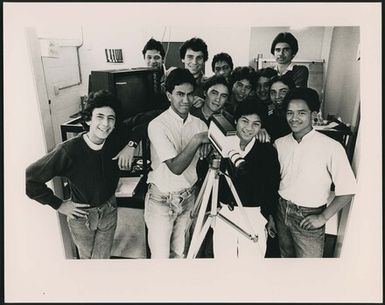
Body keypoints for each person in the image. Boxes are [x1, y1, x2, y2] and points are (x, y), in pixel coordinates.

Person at [26, 90, 136, 259]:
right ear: (88, 119)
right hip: (82, 217)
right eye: (99, 116)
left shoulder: (115, 139)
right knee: (91, 265)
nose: (105, 124)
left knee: (102, 259)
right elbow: (29, 178)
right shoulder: (68, 150)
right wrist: (58, 204)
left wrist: (131, 144)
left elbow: (148, 119)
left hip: (109, 209)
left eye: (110, 118)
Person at [274, 87, 356, 257]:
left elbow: (348, 190)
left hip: (309, 216)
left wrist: (323, 217)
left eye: (301, 113)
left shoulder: (331, 147)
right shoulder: (279, 143)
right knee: (284, 260)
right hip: (281, 210)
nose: (294, 118)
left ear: (314, 114)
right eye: (290, 113)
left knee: (310, 268)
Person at [144, 68, 210, 259]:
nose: (186, 100)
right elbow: (175, 167)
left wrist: (209, 148)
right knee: (161, 259)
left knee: (180, 255)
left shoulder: (200, 124)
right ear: (168, 95)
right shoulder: (157, 125)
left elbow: (205, 158)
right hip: (161, 201)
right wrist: (197, 141)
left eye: (190, 94)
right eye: (180, 94)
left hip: (188, 197)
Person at [213, 101, 281, 259]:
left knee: (252, 265)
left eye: (255, 124)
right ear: (235, 121)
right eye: (245, 121)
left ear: (261, 127)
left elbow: (272, 187)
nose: (249, 128)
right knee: (224, 265)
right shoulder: (221, 145)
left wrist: (269, 215)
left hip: (254, 214)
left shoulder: (267, 151)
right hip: (225, 212)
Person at [264, 74, 296, 142]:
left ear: (292, 92)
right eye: (273, 92)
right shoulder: (267, 114)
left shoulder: (298, 117)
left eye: (283, 92)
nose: (277, 96)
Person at [179, 37, 209, 108]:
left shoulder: (210, 85)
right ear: (183, 59)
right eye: (190, 57)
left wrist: (206, 105)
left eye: (199, 58)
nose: (194, 62)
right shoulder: (171, 81)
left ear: (204, 60)